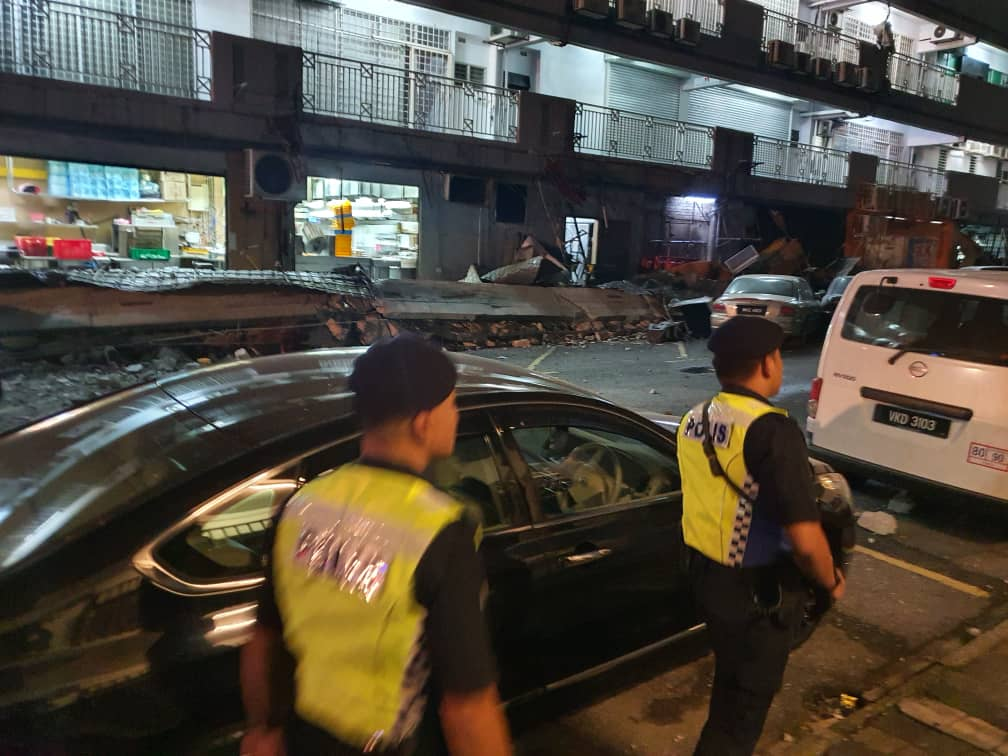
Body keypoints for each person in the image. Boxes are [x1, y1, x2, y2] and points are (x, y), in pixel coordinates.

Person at [240, 334, 513, 756]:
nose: (456, 416)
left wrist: (263, 730)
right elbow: (468, 705)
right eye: (452, 405)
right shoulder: (441, 528)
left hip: (303, 737)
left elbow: (264, 641)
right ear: (424, 422)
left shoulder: (302, 504)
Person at [677, 317, 846, 756]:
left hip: (705, 580)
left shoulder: (693, 419)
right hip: (758, 594)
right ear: (767, 363)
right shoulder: (773, 430)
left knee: (730, 689)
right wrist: (830, 583)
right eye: (779, 357)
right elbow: (806, 538)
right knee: (740, 717)